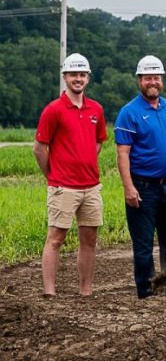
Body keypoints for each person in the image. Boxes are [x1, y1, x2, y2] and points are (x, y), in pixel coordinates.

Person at [34, 53, 107, 297]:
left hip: (91, 186)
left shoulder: (96, 108)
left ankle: (86, 291)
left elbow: (98, 143)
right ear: (65, 77)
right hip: (63, 186)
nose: (78, 78)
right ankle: (50, 292)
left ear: (88, 78)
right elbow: (40, 148)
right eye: (73, 74)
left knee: (89, 239)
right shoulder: (53, 110)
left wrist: (83, 160)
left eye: (82, 74)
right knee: (56, 238)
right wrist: (52, 175)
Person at [115, 55, 166, 299]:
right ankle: (147, 292)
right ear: (140, 80)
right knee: (144, 246)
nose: (152, 82)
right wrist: (128, 187)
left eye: (156, 77)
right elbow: (122, 154)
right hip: (142, 188)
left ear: (162, 80)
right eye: (147, 78)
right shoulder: (129, 112)